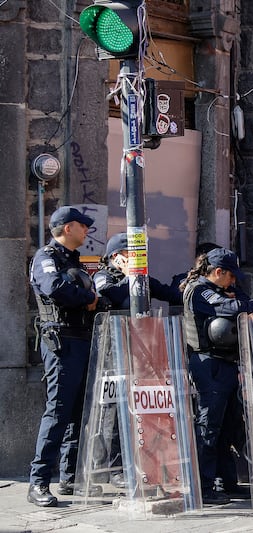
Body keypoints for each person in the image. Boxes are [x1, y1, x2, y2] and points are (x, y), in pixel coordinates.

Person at [90, 233, 183, 489]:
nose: (139, 260)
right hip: (112, 356)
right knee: (111, 415)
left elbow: (172, 295)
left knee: (133, 412)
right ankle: (108, 467)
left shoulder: (141, 279)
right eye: (133, 254)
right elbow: (119, 300)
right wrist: (132, 277)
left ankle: (133, 463)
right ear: (116, 257)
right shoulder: (104, 277)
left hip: (140, 354)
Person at [28, 206, 101, 507]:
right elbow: (53, 287)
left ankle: (69, 477)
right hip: (61, 341)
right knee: (58, 412)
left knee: (77, 415)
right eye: (83, 226)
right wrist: (88, 299)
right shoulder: (46, 257)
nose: (87, 231)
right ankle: (38, 483)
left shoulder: (73, 260)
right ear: (68, 228)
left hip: (81, 339)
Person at [183, 248, 253, 505]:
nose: (234, 282)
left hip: (228, 363)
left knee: (229, 425)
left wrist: (240, 300)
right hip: (208, 363)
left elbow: (237, 300)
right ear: (218, 272)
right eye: (231, 277)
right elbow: (228, 307)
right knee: (209, 425)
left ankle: (226, 481)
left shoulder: (222, 288)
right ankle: (204, 485)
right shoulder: (198, 290)